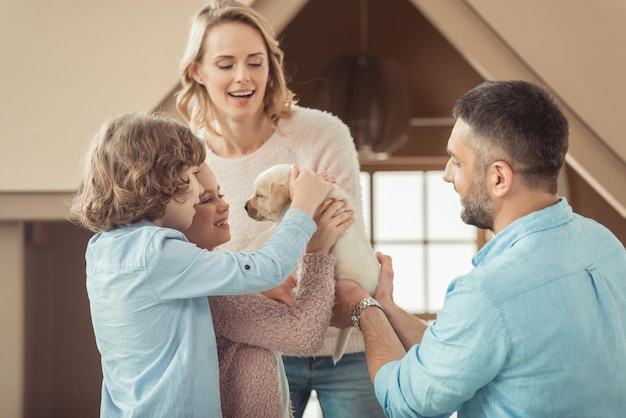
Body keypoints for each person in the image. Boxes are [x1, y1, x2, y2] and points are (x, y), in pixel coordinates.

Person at [331, 80, 626, 417]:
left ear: (499, 178)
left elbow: (408, 402)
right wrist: (385, 306)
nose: (446, 174)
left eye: (457, 162)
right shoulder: (606, 246)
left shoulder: (488, 292)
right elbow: (459, 352)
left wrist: (362, 308)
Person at [176, 1, 386, 417]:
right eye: (225, 64)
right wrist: (306, 236)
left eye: (256, 62)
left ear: (272, 65)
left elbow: (341, 232)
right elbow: (195, 268)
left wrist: (252, 273)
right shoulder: (188, 159)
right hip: (257, 348)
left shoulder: (322, 135)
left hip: (347, 338)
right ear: (198, 71)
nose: (243, 77)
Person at [70, 111, 332, 417]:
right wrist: (303, 206)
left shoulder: (102, 249)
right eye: (193, 175)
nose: (197, 193)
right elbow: (266, 267)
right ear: (160, 180)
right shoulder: (157, 252)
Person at [183, 163, 353, 417]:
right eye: (207, 199)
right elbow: (304, 335)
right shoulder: (215, 289)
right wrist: (317, 252)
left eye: (221, 195)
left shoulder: (216, 274)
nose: (225, 205)